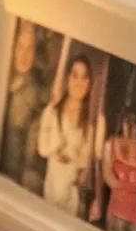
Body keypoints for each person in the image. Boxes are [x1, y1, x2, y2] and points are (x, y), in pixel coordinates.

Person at [37, 54, 95, 217]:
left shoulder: (88, 125)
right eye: (75, 75)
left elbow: (83, 165)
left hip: (70, 196)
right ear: (67, 78)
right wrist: (59, 146)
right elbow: (42, 149)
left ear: (89, 83)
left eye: (84, 77)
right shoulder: (52, 112)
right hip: (51, 187)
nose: (79, 83)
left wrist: (80, 170)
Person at [0, 20, 45, 192]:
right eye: (21, 46)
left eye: (30, 48)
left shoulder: (33, 93)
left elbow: (30, 151)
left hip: (10, 176)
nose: (25, 55)